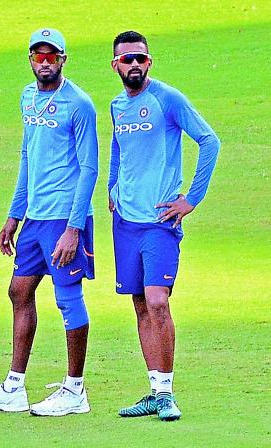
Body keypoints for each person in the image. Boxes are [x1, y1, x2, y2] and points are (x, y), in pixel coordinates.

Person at [0, 29, 98, 416]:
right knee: (18, 291)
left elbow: (89, 167)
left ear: (63, 59)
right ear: (30, 59)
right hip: (35, 218)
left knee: (68, 297)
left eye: (51, 56)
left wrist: (74, 228)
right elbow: (28, 157)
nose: (44, 62)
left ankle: (75, 391)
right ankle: (14, 386)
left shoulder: (79, 105)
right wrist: (14, 215)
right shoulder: (28, 97)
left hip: (64, 218)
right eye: (37, 56)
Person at [109, 31, 220, 422]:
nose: (134, 64)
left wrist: (192, 199)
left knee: (158, 301)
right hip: (125, 222)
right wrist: (112, 188)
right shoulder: (117, 106)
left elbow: (210, 141)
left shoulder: (167, 99)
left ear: (149, 62)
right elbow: (118, 150)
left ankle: (168, 392)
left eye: (140, 58)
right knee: (140, 304)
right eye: (127, 59)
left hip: (160, 221)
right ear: (116, 66)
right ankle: (154, 390)